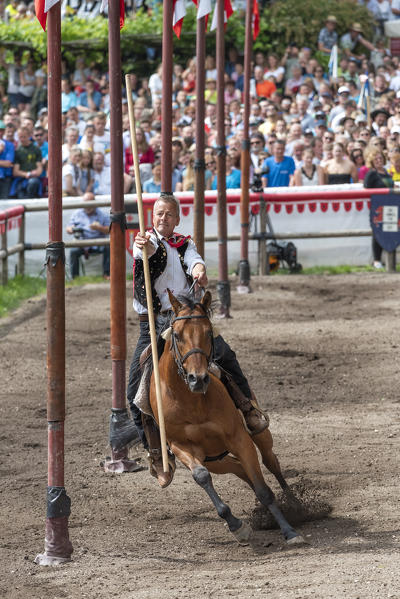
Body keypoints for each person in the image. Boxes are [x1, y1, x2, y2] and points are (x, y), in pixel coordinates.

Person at [126, 193, 268, 487]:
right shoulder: (144, 243)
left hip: (187, 318)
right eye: (158, 214)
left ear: (177, 219)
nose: (162, 219)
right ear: (152, 217)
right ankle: (158, 454)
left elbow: (194, 261)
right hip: (153, 324)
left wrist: (199, 270)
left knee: (226, 355)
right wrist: (146, 246)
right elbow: (148, 253)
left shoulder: (183, 244)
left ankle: (248, 409)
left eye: (168, 215)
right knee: (134, 390)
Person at [66, 191, 110, 278]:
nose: (88, 206)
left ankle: (107, 274)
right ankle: (75, 278)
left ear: (94, 203)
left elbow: (109, 230)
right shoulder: (77, 213)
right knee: (73, 251)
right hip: (82, 243)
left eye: (90, 204)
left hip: (98, 242)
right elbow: (68, 228)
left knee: (108, 247)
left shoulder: (102, 214)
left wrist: (99, 228)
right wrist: (71, 229)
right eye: (86, 204)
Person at [363, 148, 394, 269]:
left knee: (388, 232)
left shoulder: (386, 172)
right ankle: (376, 259)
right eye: (376, 159)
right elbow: (366, 189)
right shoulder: (371, 174)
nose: (379, 160)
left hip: (390, 206)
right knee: (377, 234)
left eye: (380, 158)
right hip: (378, 207)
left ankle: (388, 260)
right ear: (372, 161)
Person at [12, 126, 43, 198]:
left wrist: (36, 173)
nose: (22, 139)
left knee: (33, 182)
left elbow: (39, 168)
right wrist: (28, 174)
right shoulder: (17, 151)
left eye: (24, 137)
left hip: (34, 179)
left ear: (29, 136)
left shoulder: (36, 149)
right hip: (21, 180)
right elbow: (15, 172)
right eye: (20, 137)